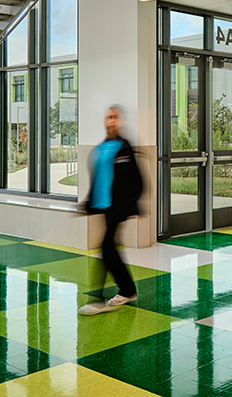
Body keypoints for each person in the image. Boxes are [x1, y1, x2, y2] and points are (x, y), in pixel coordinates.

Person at [79, 106, 143, 315]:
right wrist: (88, 204)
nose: (112, 121)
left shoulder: (125, 148)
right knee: (109, 249)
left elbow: (138, 181)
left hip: (118, 207)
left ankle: (97, 300)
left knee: (105, 247)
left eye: (115, 117)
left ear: (121, 121)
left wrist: (132, 205)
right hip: (103, 206)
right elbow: (98, 178)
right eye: (109, 117)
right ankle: (128, 289)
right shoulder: (102, 148)